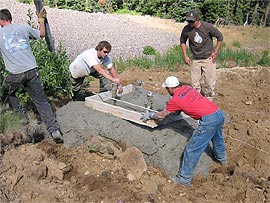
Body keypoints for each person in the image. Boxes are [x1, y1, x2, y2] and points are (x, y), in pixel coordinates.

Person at [140, 76, 227, 186]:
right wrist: (176, 110)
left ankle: (184, 179)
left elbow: (161, 115)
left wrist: (150, 115)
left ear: (170, 88)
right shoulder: (187, 88)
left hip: (208, 121)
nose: (167, 91)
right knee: (217, 139)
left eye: (167, 89)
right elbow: (187, 100)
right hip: (218, 113)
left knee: (192, 149)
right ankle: (222, 160)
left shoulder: (175, 100)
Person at [0, 8, 63, 144]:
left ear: (1, 21)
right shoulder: (23, 27)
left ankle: (21, 122)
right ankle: (54, 131)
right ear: (10, 18)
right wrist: (41, 20)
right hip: (32, 70)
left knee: (6, 93)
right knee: (41, 102)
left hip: (15, 73)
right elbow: (42, 34)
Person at [180, 9, 223, 100]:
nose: (190, 23)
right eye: (188, 21)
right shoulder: (186, 29)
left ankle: (209, 101)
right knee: (194, 83)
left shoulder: (207, 27)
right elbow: (182, 41)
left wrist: (215, 53)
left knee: (209, 82)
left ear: (197, 19)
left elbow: (220, 37)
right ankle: (196, 100)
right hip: (195, 59)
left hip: (208, 58)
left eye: (192, 21)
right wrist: (185, 55)